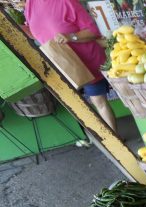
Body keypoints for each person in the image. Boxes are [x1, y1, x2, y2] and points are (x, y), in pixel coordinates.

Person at [24, 0, 117, 131]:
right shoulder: (30, 5)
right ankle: (103, 139)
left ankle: (116, 141)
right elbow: (36, 32)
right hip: (62, 64)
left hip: (86, 64)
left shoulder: (67, 2)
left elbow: (92, 31)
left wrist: (70, 37)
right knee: (79, 107)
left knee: (99, 102)